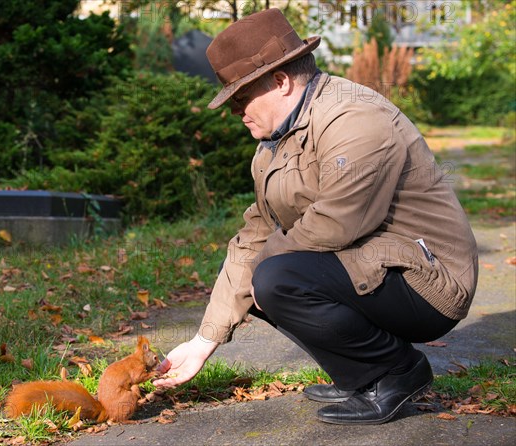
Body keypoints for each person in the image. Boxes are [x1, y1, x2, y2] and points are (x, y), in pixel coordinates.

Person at [153, 8, 478, 425]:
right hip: (375, 266)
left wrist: (257, 272)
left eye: (240, 97)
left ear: (280, 81)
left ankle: (396, 372)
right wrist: (203, 341)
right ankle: (360, 377)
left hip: (429, 282)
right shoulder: (276, 142)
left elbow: (337, 223)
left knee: (274, 278)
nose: (235, 111)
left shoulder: (355, 117)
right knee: (262, 278)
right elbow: (256, 231)